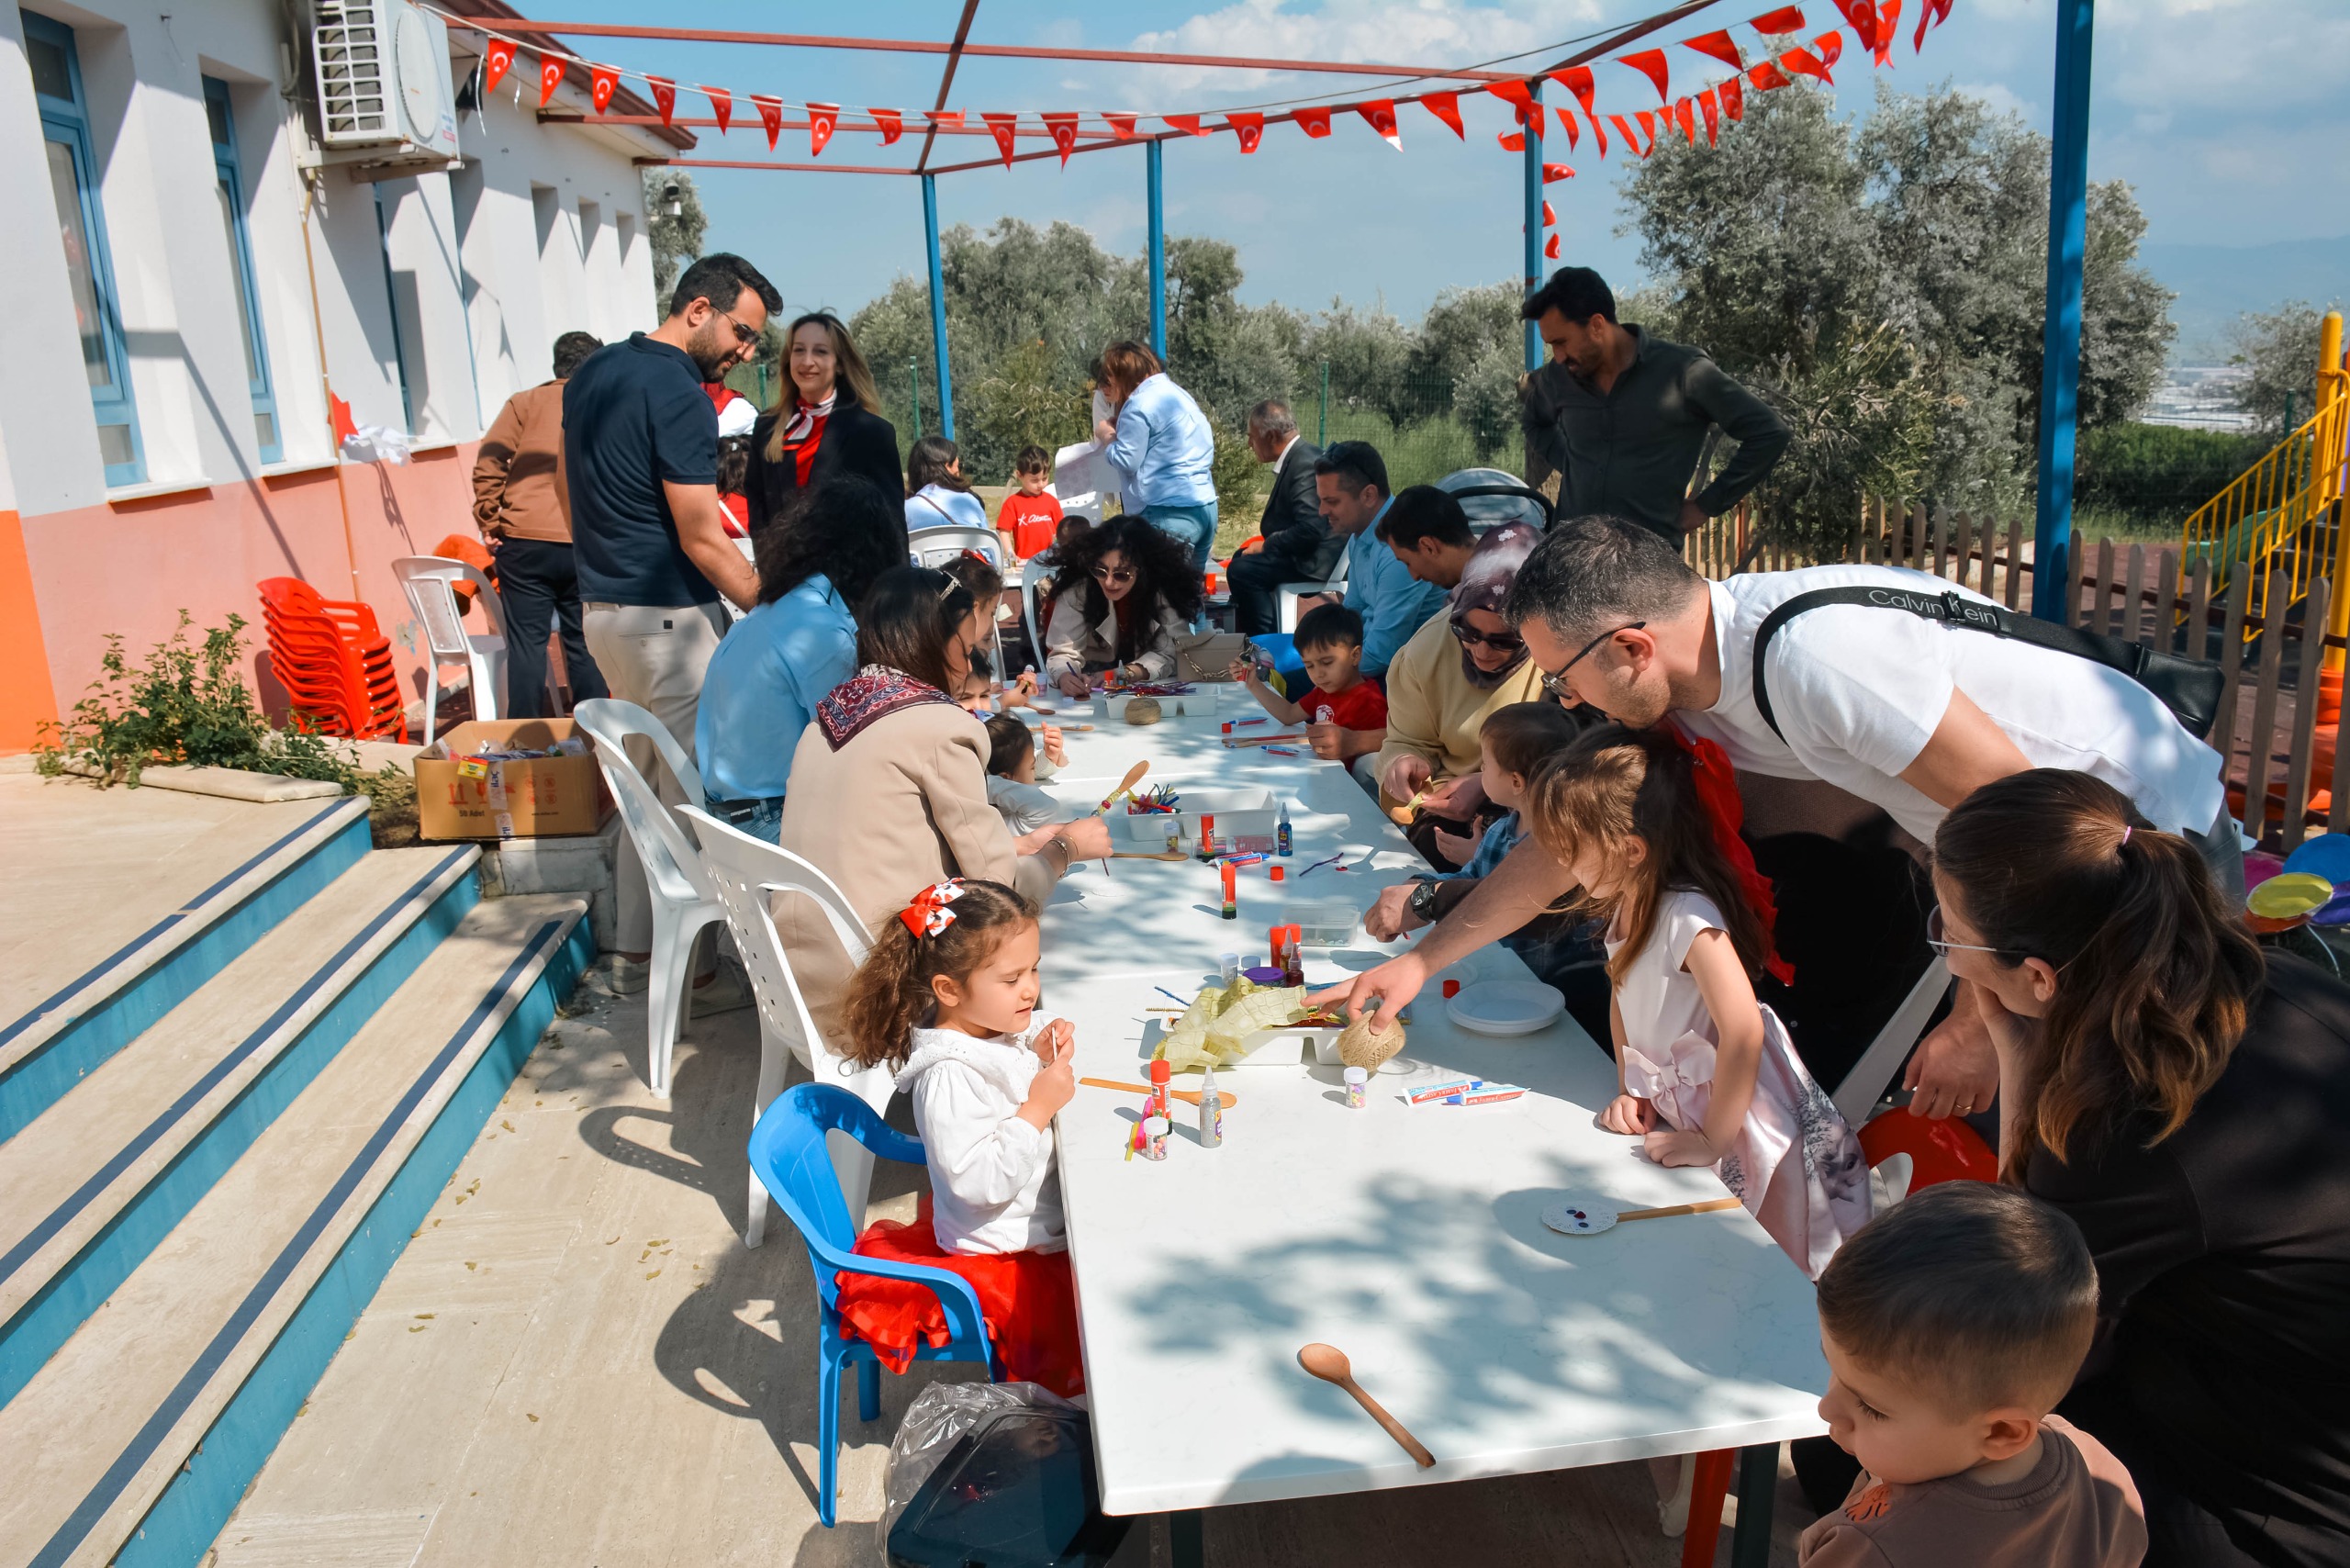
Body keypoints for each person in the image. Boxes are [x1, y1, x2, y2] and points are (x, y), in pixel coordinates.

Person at [1323, 515, 2232, 1116]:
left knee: (2133, 1117)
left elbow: (2017, 822)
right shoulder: (1674, 689)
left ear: (1633, 645)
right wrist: (1422, 961)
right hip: (2029, 887)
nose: (1564, 697)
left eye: (1566, 675)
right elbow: (1569, 845)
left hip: (2134, 857)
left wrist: (1971, 1021)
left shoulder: (1813, 661)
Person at [1932, 770, 2350, 1567]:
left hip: (2281, 1511)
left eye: (1952, 937)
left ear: (2039, 978)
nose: (1951, 959)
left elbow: (2015, 1336)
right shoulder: (2267, 981)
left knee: (1930, 1443)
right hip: (2281, 1395)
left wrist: (2019, 1062)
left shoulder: (2122, 1118)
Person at [1533, 722, 1870, 1278]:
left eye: (1571, 850)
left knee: (1763, 1242)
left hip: (1735, 1113)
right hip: (1676, 1103)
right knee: (1691, 1244)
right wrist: (1629, 1087)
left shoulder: (1688, 916)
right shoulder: (1626, 900)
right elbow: (1621, 997)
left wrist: (1714, 1138)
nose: (1564, 864)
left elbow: (1743, 1030)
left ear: (1630, 849)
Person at [777, 567, 1113, 1047]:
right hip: (877, 991)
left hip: (796, 977)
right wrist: (1064, 848)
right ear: (940, 640)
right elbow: (1000, 893)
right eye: (966, 644)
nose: (968, 660)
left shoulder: (825, 721)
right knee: (1033, 961)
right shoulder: (938, 724)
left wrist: (1021, 844)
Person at [565, 252, 774, 988]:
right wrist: (770, 603)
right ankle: (730, 970)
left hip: (604, 616)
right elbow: (700, 533)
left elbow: (570, 492)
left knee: (642, 791)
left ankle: (637, 955)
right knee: (703, 796)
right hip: (667, 621)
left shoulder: (593, 373)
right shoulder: (682, 394)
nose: (746, 353)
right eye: (743, 334)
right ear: (699, 309)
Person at [1802, 1182, 2147, 1568]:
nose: (1826, 1408)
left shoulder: (1878, 1548)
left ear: (2000, 1433)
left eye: (1871, 1407)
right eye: (1833, 1370)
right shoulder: (2103, 1474)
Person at [831, 879, 1084, 1397]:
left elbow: (995, 1103)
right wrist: (1038, 1107)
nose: (1031, 989)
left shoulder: (981, 1030)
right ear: (949, 990)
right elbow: (977, 1182)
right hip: (1005, 1254)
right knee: (1099, 1310)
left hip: (1020, 1229)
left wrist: (1032, 1055)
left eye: (1033, 970)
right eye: (1011, 978)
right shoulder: (948, 1075)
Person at [1367, 703, 1606, 1036]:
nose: (1479, 769)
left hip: (1552, 999)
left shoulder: (1569, 852)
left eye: (1486, 762)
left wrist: (1429, 898)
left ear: (1516, 781)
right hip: (1495, 978)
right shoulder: (1499, 831)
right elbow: (1470, 882)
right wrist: (1423, 886)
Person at [693, 477, 904, 843]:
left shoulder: (768, 613)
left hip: (725, 817)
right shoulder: (821, 633)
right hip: (771, 823)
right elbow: (859, 751)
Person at [1517, 265, 1789, 542]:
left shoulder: (1683, 372)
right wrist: (1573, 463)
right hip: (1570, 555)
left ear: (1597, 325)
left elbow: (1769, 432)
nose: (1558, 356)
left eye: (1562, 342)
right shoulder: (1558, 377)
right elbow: (1534, 421)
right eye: (1551, 345)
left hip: (1649, 567)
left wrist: (1707, 506)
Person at [1373, 521, 1547, 866]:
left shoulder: (1559, 653)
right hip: (1449, 812)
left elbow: (1573, 758)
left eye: (1504, 640)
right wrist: (1402, 762)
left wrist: (1487, 784)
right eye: (1467, 632)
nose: (1481, 651)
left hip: (1537, 810)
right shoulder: (1425, 650)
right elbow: (1406, 739)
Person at [473, 329, 608, 719]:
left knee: (527, 645)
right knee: (584, 644)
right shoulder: (601, 405)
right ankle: (592, 737)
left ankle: (525, 740)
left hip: (524, 540)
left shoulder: (524, 403)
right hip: (585, 538)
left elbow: (490, 460)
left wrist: (490, 517)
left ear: (556, 365)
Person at [1295, 442, 1447, 680]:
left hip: (1400, 679)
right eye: (1321, 500)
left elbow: (1383, 654)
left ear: (1368, 495)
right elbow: (1351, 617)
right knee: (1281, 681)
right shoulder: (1360, 534)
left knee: (1289, 690)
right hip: (1366, 663)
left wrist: (1319, 674)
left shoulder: (1398, 550)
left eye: (1332, 501)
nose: (1322, 511)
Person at [744, 310, 903, 537]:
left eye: (820, 351)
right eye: (799, 350)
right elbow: (758, 514)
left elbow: (893, 524)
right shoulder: (766, 427)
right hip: (782, 570)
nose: (807, 361)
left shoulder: (873, 432)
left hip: (852, 571)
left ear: (839, 364)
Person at [1042, 516, 1203, 698]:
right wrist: (1064, 675)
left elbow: (1173, 651)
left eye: (1121, 574)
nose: (1109, 582)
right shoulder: (1078, 588)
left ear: (1142, 570)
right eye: (1100, 571)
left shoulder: (1164, 588)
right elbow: (1062, 651)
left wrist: (1126, 674)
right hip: (1090, 688)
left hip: (1151, 690)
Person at [1093, 341, 1217, 574]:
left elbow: (1127, 461)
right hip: (1204, 505)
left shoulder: (1138, 404)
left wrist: (1107, 436)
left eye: (1110, 378)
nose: (1107, 385)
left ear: (1123, 376)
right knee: (1190, 594)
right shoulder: (1178, 394)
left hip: (1166, 511)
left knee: (1159, 593)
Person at [1226, 604, 1386, 767]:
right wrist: (1253, 683)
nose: (1318, 673)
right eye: (1309, 666)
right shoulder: (1323, 692)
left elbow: (1391, 742)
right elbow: (1288, 714)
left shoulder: (1369, 700)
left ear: (1355, 656)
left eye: (1327, 662)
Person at [1225, 400, 1332, 633]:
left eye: (1252, 436)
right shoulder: (1301, 456)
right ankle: (1259, 638)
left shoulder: (1303, 463)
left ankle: (1265, 643)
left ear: (1271, 436)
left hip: (1312, 561)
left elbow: (1311, 529)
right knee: (1240, 558)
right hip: (1304, 554)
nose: (1249, 444)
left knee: (1241, 571)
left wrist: (1266, 546)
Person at [1376, 483, 1483, 592]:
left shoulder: (1482, 598)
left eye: (1408, 563)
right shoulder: (1497, 541)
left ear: (1429, 547)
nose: (1414, 576)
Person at [981, 713, 1065, 834]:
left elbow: (1021, 768)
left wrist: (1049, 757)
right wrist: (984, 784)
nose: (1034, 771)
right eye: (1033, 768)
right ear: (1005, 780)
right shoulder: (997, 824)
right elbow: (1047, 808)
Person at [904, 435, 993, 533]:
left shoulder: (905, 510)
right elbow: (987, 546)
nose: (959, 471)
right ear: (948, 468)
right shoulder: (970, 502)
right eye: (959, 466)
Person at [997, 445, 1064, 561]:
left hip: (1050, 561)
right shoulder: (1012, 503)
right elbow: (1003, 532)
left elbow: (1062, 531)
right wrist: (1011, 555)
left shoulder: (1052, 502)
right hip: (1025, 563)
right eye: (1034, 480)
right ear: (1019, 475)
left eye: (1044, 478)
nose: (1040, 484)